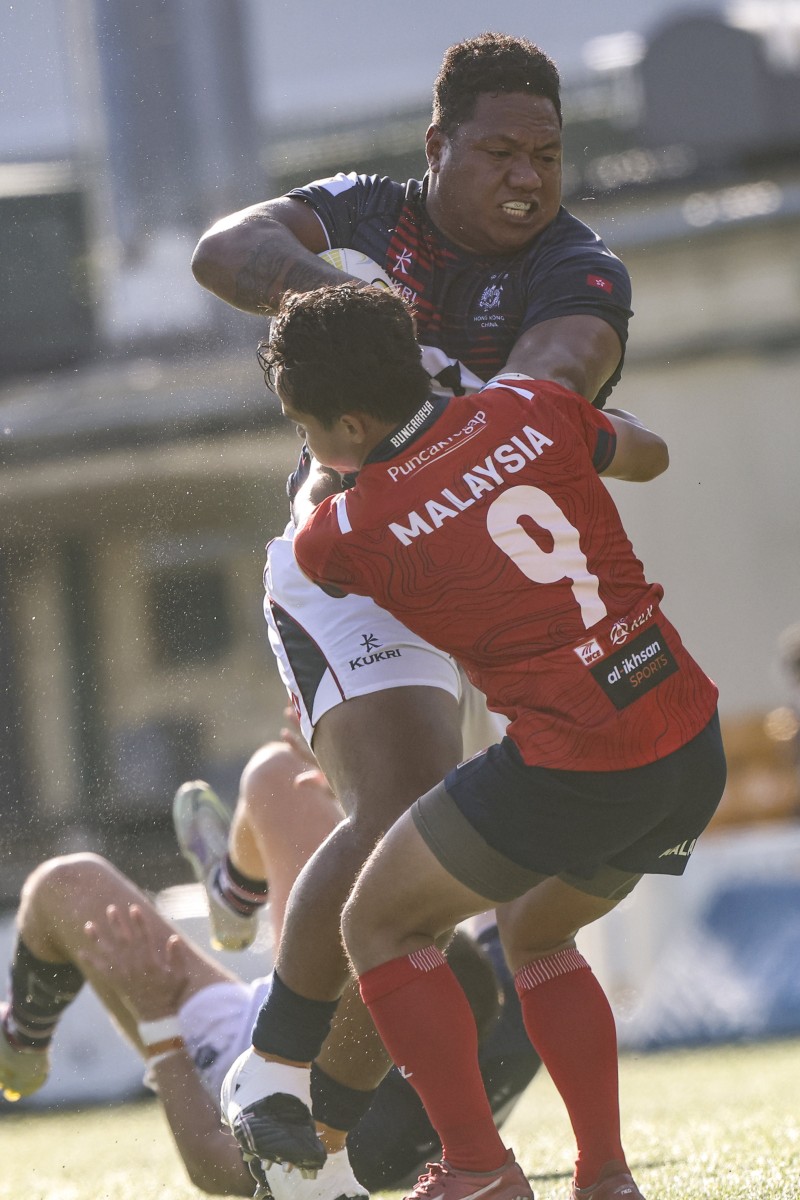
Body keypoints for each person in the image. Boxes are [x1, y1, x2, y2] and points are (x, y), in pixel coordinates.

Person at [192, 30, 634, 1183]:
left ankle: (319, 1133)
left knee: (435, 881)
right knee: (396, 805)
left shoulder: (577, 266)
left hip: (480, 592)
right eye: (499, 151)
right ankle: (268, 1074)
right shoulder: (374, 212)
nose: (528, 176)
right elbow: (222, 249)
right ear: (438, 146)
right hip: (346, 561)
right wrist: (360, 314)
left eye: (546, 152)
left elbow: (565, 364)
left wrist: (432, 381)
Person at [235, 282, 727, 1200]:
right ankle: (606, 1177)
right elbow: (649, 457)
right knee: (537, 931)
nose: (308, 445)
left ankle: (477, 1170)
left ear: (342, 422)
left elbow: (312, 558)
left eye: (306, 427)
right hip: (687, 738)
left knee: (376, 923)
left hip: (577, 765)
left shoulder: (345, 529)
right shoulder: (527, 403)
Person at [0, 722, 538, 1198]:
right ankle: (235, 892)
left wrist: (156, 1019)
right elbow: (481, 874)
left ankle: (22, 1037)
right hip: (299, 1016)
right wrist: (365, 801)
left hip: (241, 1055)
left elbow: (212, 1169)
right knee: (279, 774)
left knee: (62, 882)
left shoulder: (344, 1131)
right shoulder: (501, 1007)